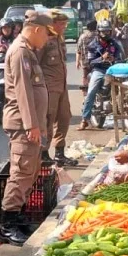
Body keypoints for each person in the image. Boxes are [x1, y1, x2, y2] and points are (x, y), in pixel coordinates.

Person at [0, 10, 52, 246]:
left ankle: (18, 217)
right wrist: (32, 125)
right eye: (47, 35)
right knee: (20, 172)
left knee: (29, 171)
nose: (48, 40)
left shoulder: (28, 51)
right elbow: (23, 92)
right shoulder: (20, 52)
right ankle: (8, 224)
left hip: (30, 124)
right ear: (38, 30)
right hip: (22, 124)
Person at [40, 10, 77, 167]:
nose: (64, 27)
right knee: (47, 120)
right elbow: (36, 65)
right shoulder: (44, 41)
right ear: (52, 24)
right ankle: (43, 154)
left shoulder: (59, 39)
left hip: (61, 85)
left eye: (65, 24)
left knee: (64, 117)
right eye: (61, 24)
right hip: (49, 87)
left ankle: (60, 154)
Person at [80, 21, 123, 131]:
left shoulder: (115, 43)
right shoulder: (92, 45)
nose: (106, 34)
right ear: (99, 32)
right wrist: (102, 58)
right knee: (91, 91)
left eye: (107, 31)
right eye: (103, 31)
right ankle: (85, 119)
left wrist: (115, 59)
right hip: (99, 70)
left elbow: (121, 56)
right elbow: (90, 62)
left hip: (113, 69)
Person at [75, 19, 97, 93]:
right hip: (98, 62)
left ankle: (85, 94)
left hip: (86, 62)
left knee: (85, 77)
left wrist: (77, 61)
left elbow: (79, 50)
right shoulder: (99, 36)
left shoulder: (83, 36)